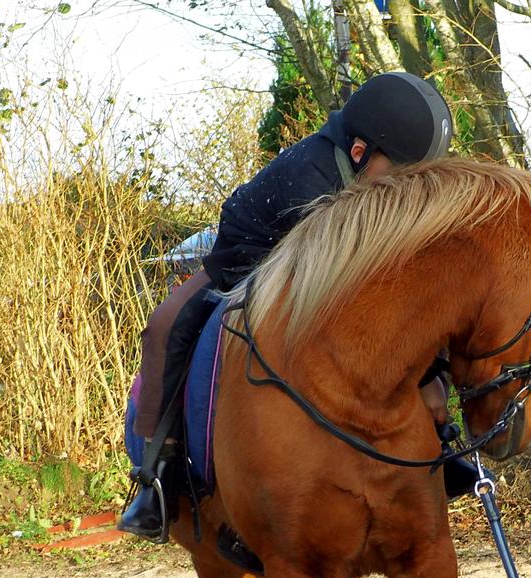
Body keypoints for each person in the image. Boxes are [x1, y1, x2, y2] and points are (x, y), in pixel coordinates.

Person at [120, 71, 467, 543]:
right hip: (248, 263)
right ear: (360, 153)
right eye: (404, 174)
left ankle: (439, 449)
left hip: (313, 271)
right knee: (165, 326)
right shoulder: (312, 180)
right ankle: (159, 475)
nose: (411, 189)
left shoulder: (374, 182)